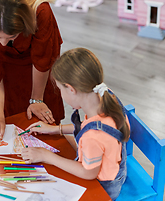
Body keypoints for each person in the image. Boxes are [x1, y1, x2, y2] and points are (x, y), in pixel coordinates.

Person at [21, 48, 130, 200]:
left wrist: (46, 156)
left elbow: (88, 173)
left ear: (71, 89)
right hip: (115, 169)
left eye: (60, 89)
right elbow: (88, 127)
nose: (60, 93)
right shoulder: (105, 95)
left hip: (103, 188)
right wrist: (56, 129)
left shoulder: (92, 136)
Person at [0, 0, 64, 141]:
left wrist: (37, 100)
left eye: (11, 37)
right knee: (12, 117)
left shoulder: (40, 12)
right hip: (5, 69)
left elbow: (43, 60)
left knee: (46, 117)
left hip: (40, 71)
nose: (3, 44)